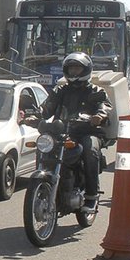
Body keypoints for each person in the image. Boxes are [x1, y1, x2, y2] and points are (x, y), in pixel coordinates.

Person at [34, 52, 112, 213]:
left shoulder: (96, 90)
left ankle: (91, 195)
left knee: (90, 150)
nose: (74, 72)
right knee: (44, 146)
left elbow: (104, 106)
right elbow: (47, 107)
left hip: (89, 131)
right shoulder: (60, 90)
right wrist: (34, 115)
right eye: (71, 69)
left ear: (85, 70)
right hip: (63, 130)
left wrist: (99, 116)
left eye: (77, 68)